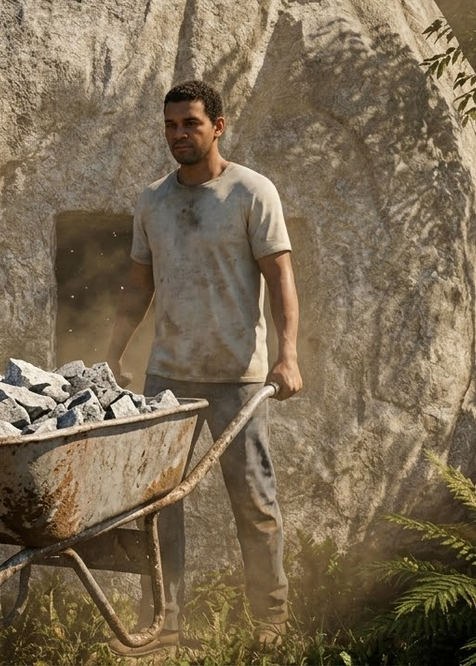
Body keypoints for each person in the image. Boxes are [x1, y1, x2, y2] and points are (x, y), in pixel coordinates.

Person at [105, 79, 303, 656]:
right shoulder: (153, 200)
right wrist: (114, 352)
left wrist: (287, 356)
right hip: (168, 376)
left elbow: (280, 278)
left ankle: (270, 620)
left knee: (255, 500)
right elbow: (137, 285)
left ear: (218, 126)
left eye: (190, 123)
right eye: (170, 125)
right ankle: (163, 624)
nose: (178, 136)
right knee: (159, 505)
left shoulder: (251, 192)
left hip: (238, 377)